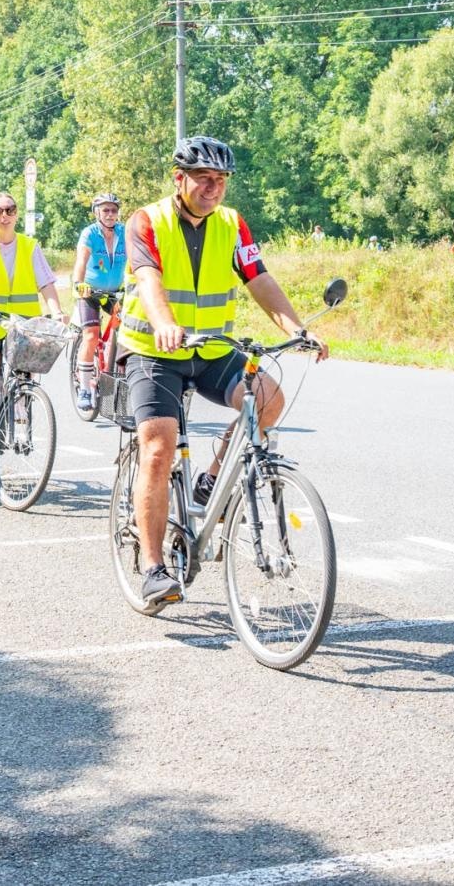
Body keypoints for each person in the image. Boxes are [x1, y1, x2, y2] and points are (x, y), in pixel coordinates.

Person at [118, 135, 328, 606]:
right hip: (155, 350)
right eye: (203, 178)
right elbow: (149, 280)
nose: (213, 188)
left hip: (211, 349)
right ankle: (153, 569)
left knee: (268, 399)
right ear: (180, 179)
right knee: (158, 448)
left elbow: (259, 279)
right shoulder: (146, 221)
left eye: (221, 180)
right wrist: (166, 324)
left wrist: (297, 328)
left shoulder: (233, 225)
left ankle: (211, 475)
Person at [0, 190, 63, 474]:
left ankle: (21, 428)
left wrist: (56, 311)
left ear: (16, 213)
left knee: (27, 375)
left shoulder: (30, 246)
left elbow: (46, 284)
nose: (4, 215)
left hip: (22, 322)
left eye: (9, 210)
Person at [70, 191, 127, 413]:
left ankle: (114, 377)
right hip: (89, 291)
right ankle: (84, 389)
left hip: (115, 291)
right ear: (97, 213)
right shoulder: (90, 234)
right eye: (105, 210)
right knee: (92, 336)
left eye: (114, 210)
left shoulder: (123, 233)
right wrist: (78, 282)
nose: (110, 214)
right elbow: (81, 261)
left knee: (124, 332)